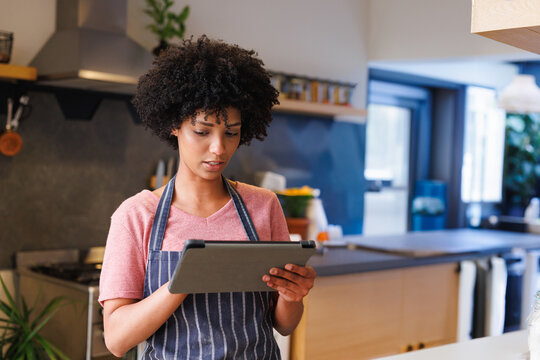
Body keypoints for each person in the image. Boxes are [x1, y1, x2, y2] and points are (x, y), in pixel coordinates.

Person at [99, 35, 316, 359]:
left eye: (231, 132)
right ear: (175, 125)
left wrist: (292, 296)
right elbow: (116, 340)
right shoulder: (136, 215)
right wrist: (183, 281)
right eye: (202, 131)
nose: (219, 148)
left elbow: (282, 325)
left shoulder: (263, 205)